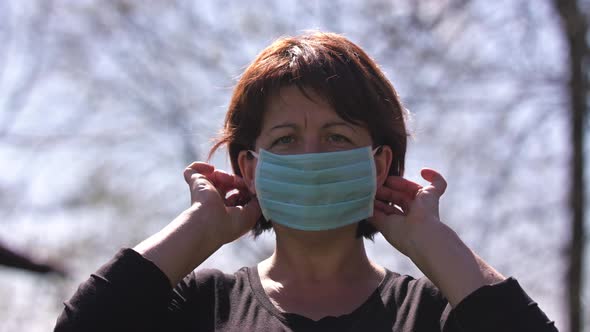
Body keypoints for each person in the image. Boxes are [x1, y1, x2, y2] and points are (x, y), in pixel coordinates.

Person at [55, 32, 557, 332]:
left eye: (337, 137)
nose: (312, 156)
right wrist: (200, 228)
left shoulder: (432, 314)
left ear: (379, 164)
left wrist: (433, 243)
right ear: (249, 167)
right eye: (286, 140)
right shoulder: (198, 308)